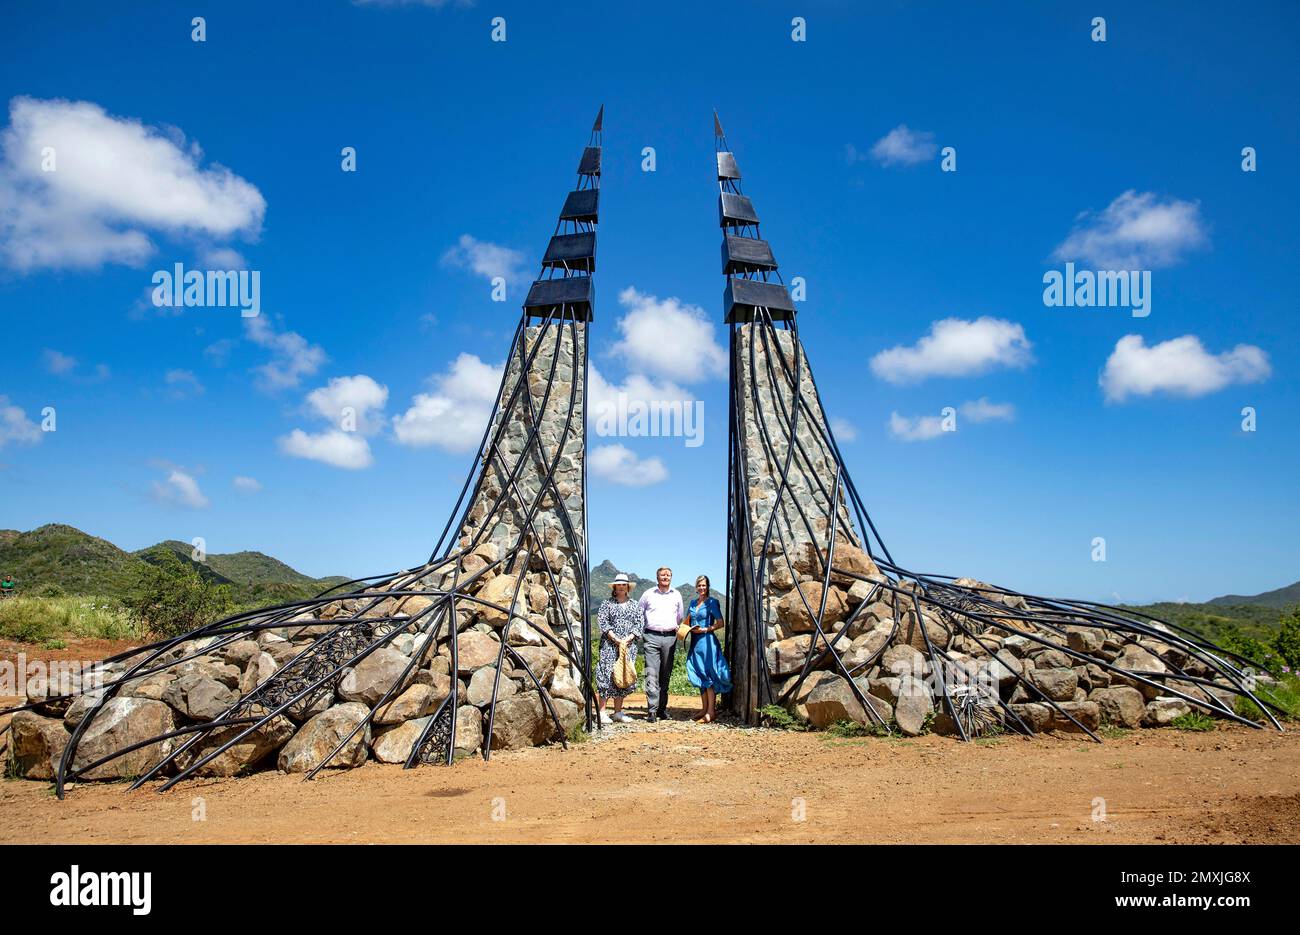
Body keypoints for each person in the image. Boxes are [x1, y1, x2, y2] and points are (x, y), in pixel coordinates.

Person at [594, 573, 644, 724]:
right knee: (606, 674)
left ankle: (617, 712)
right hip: (609, 645)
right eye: (619, 585)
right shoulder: (607, 604)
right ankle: (602, 712)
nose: (621, 587)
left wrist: (627, 640)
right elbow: (603, 622)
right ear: (614, 587)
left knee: (623, 675)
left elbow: (639, 625)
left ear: (627, 587)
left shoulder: (635, 605)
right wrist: (615, 639)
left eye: (624, 585)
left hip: (628, 646)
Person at [639, 566, 684, 723]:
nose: (665, 577)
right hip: (651, 636)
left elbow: (680, 617)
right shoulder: (648, 594)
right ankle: (651, 711)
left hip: (670, 638)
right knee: (651, 673)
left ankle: (662, 709)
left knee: (665, 674)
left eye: (668, 575)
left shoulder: (677, 595)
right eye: (662, 575)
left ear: (671, 577)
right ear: (657, 577)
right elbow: (640, 613)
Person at [685, 575, 731, 723]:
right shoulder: (692, 603)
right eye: (699, 585)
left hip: (707, 642)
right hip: (695, 643)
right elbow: (687, 621)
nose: (702, 588)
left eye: (704, 585)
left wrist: (705, 629)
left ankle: (711, 712)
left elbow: (720, 623)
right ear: (696, 587)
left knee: (708, 674)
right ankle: (704, 708)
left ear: (708, 586)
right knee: (699, 673)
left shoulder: (712, 602)